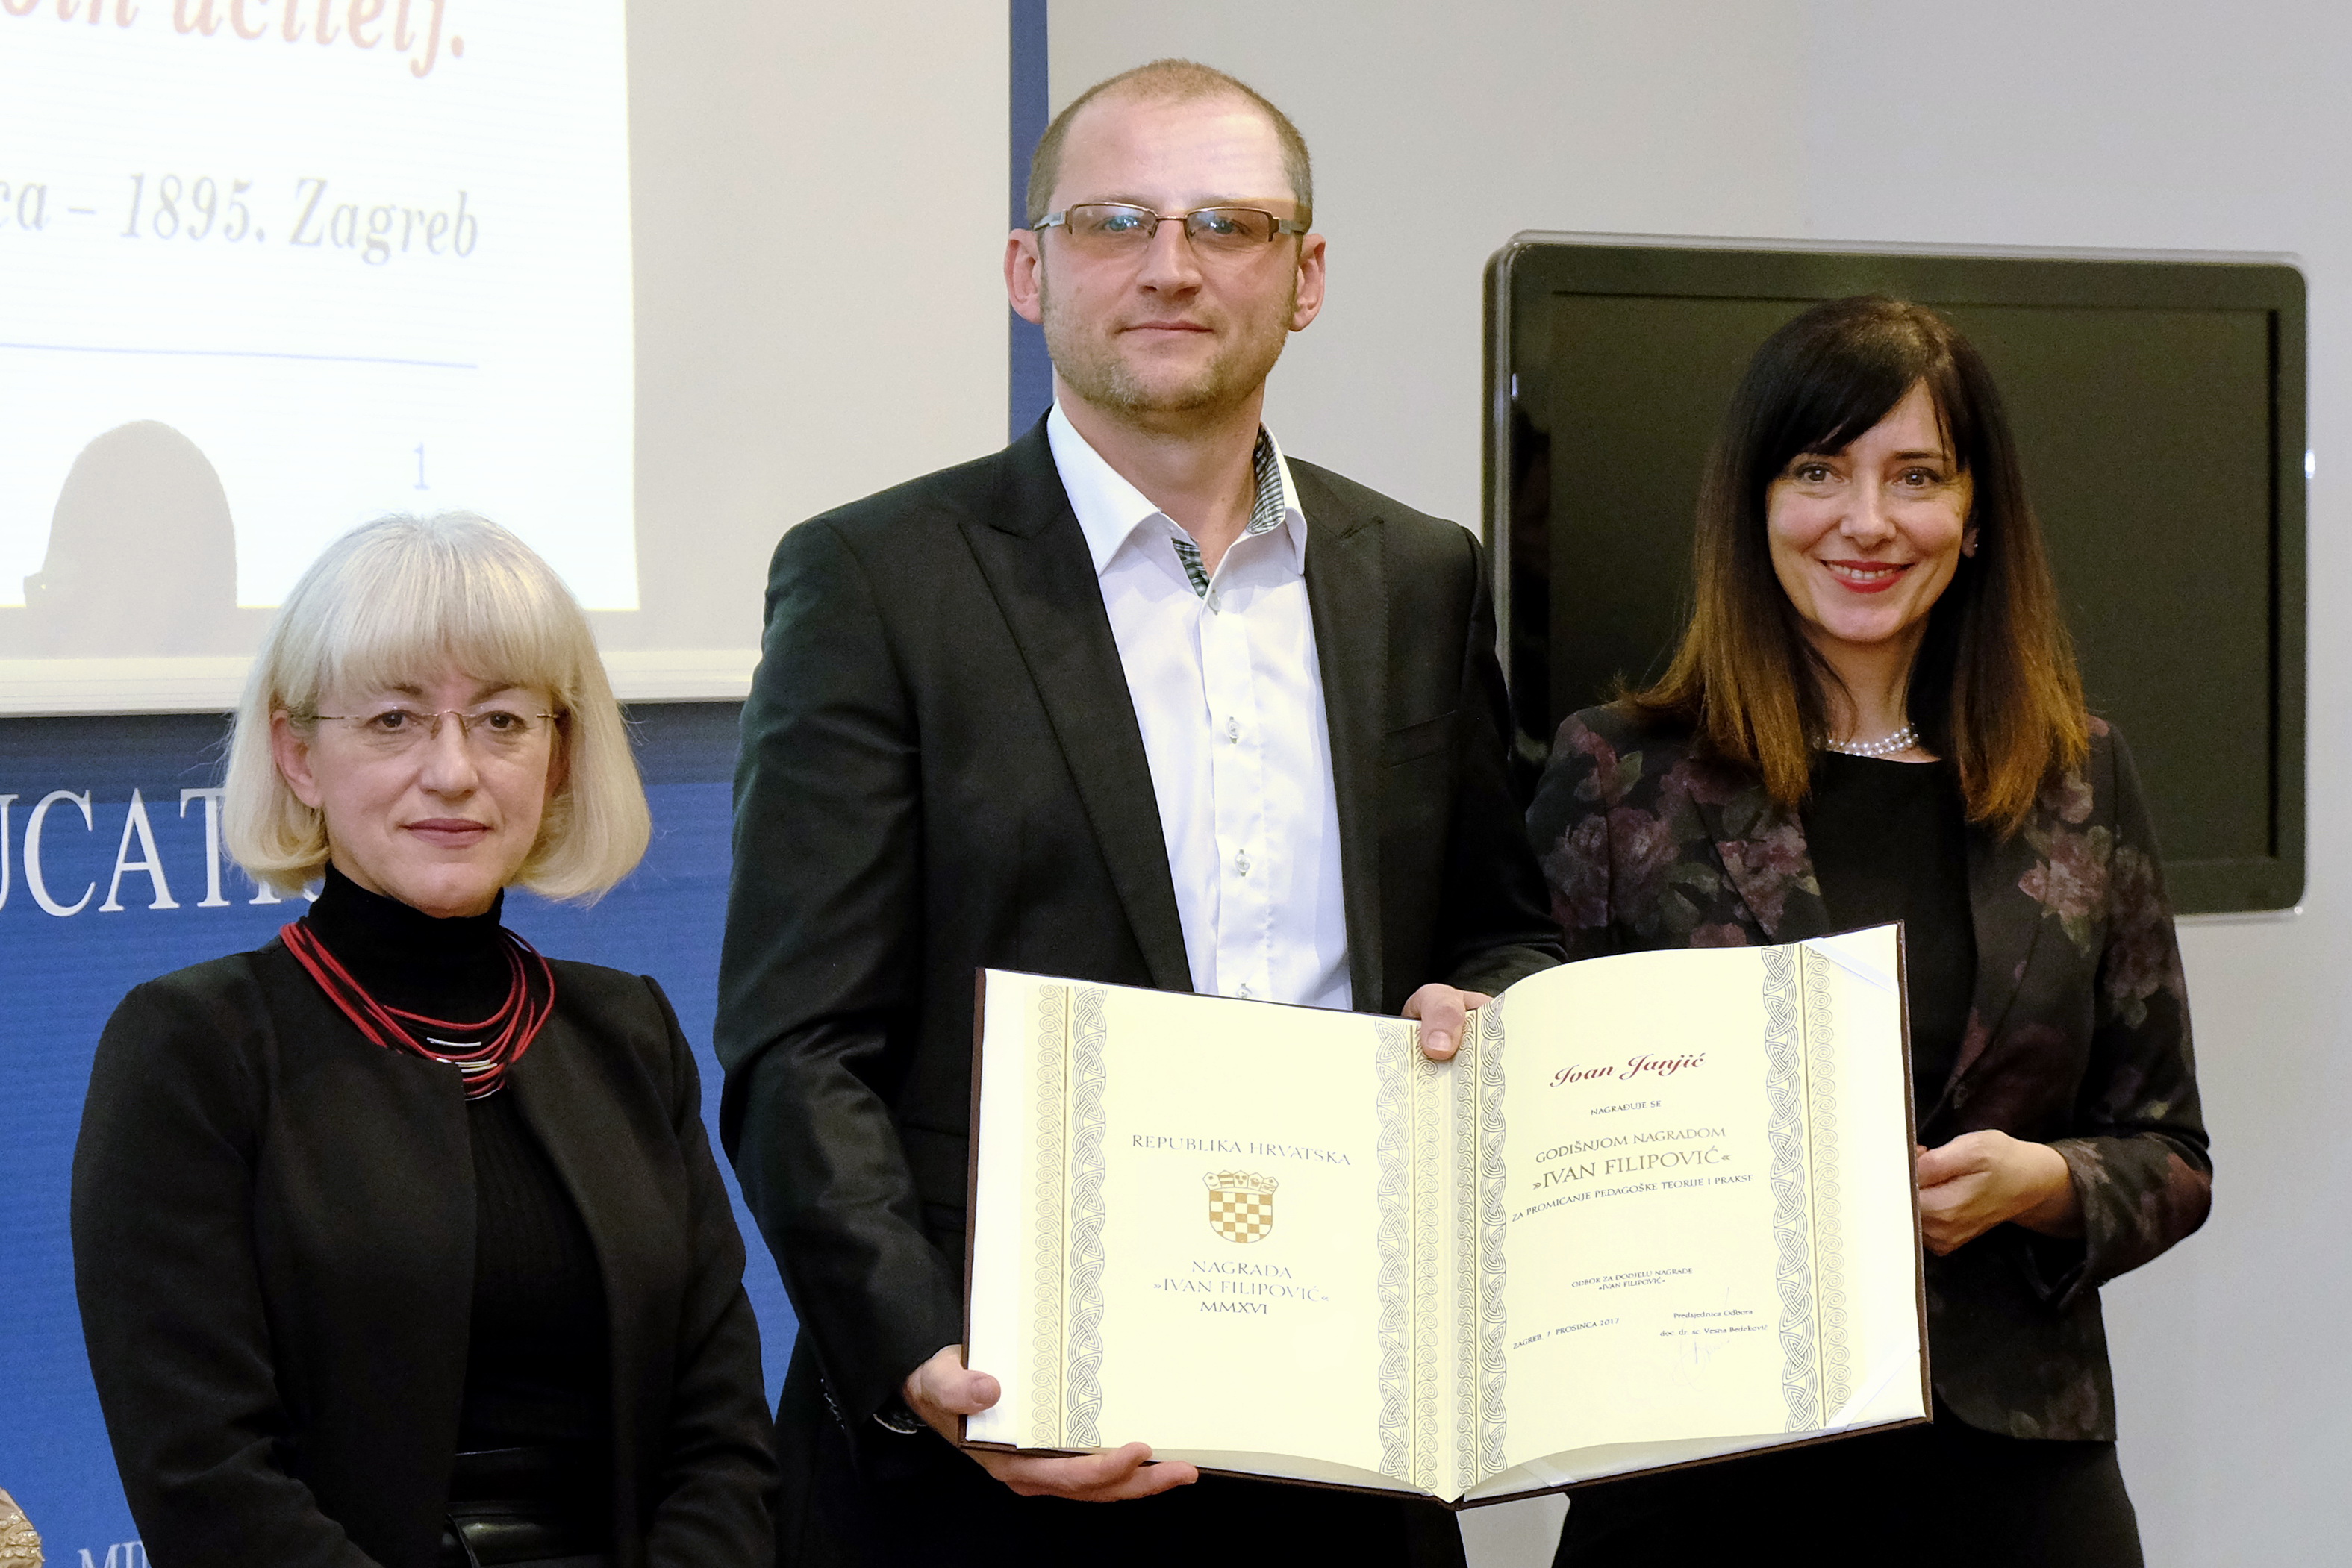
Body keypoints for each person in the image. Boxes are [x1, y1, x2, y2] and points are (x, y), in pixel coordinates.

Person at [716, 57, 1560, 1567]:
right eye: (1116, 223)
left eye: (1227, 226)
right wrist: (924, 1363)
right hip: (993, 1456)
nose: (1171, 266)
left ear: (1304, 278)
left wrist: (1492, 1011)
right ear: (1027, 272)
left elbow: (1500, 927)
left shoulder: (1419, 576)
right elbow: (800, 1043)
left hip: (1344, 1451)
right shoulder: (875, 582)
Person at [1527, 296, 2210, 1566]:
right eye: (1819, 470)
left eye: (1916, 477)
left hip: (2012, 1468)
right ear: (1756, 504)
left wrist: (2043, 1183)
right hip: (1698, 1470)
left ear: (1973, 515)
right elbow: (1533, 1132)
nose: (1867, 520)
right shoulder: (1617, 771)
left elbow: (2170, 1147)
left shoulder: (2081, 777)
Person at [72, 513, 777, 1568]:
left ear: (559, 756)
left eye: (500, 721)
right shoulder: (192, 1049)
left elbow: (723, 1446)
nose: (453, 771)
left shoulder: (627, 1030)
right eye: (395, 719)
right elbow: (206, 1483)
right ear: (298, 753)